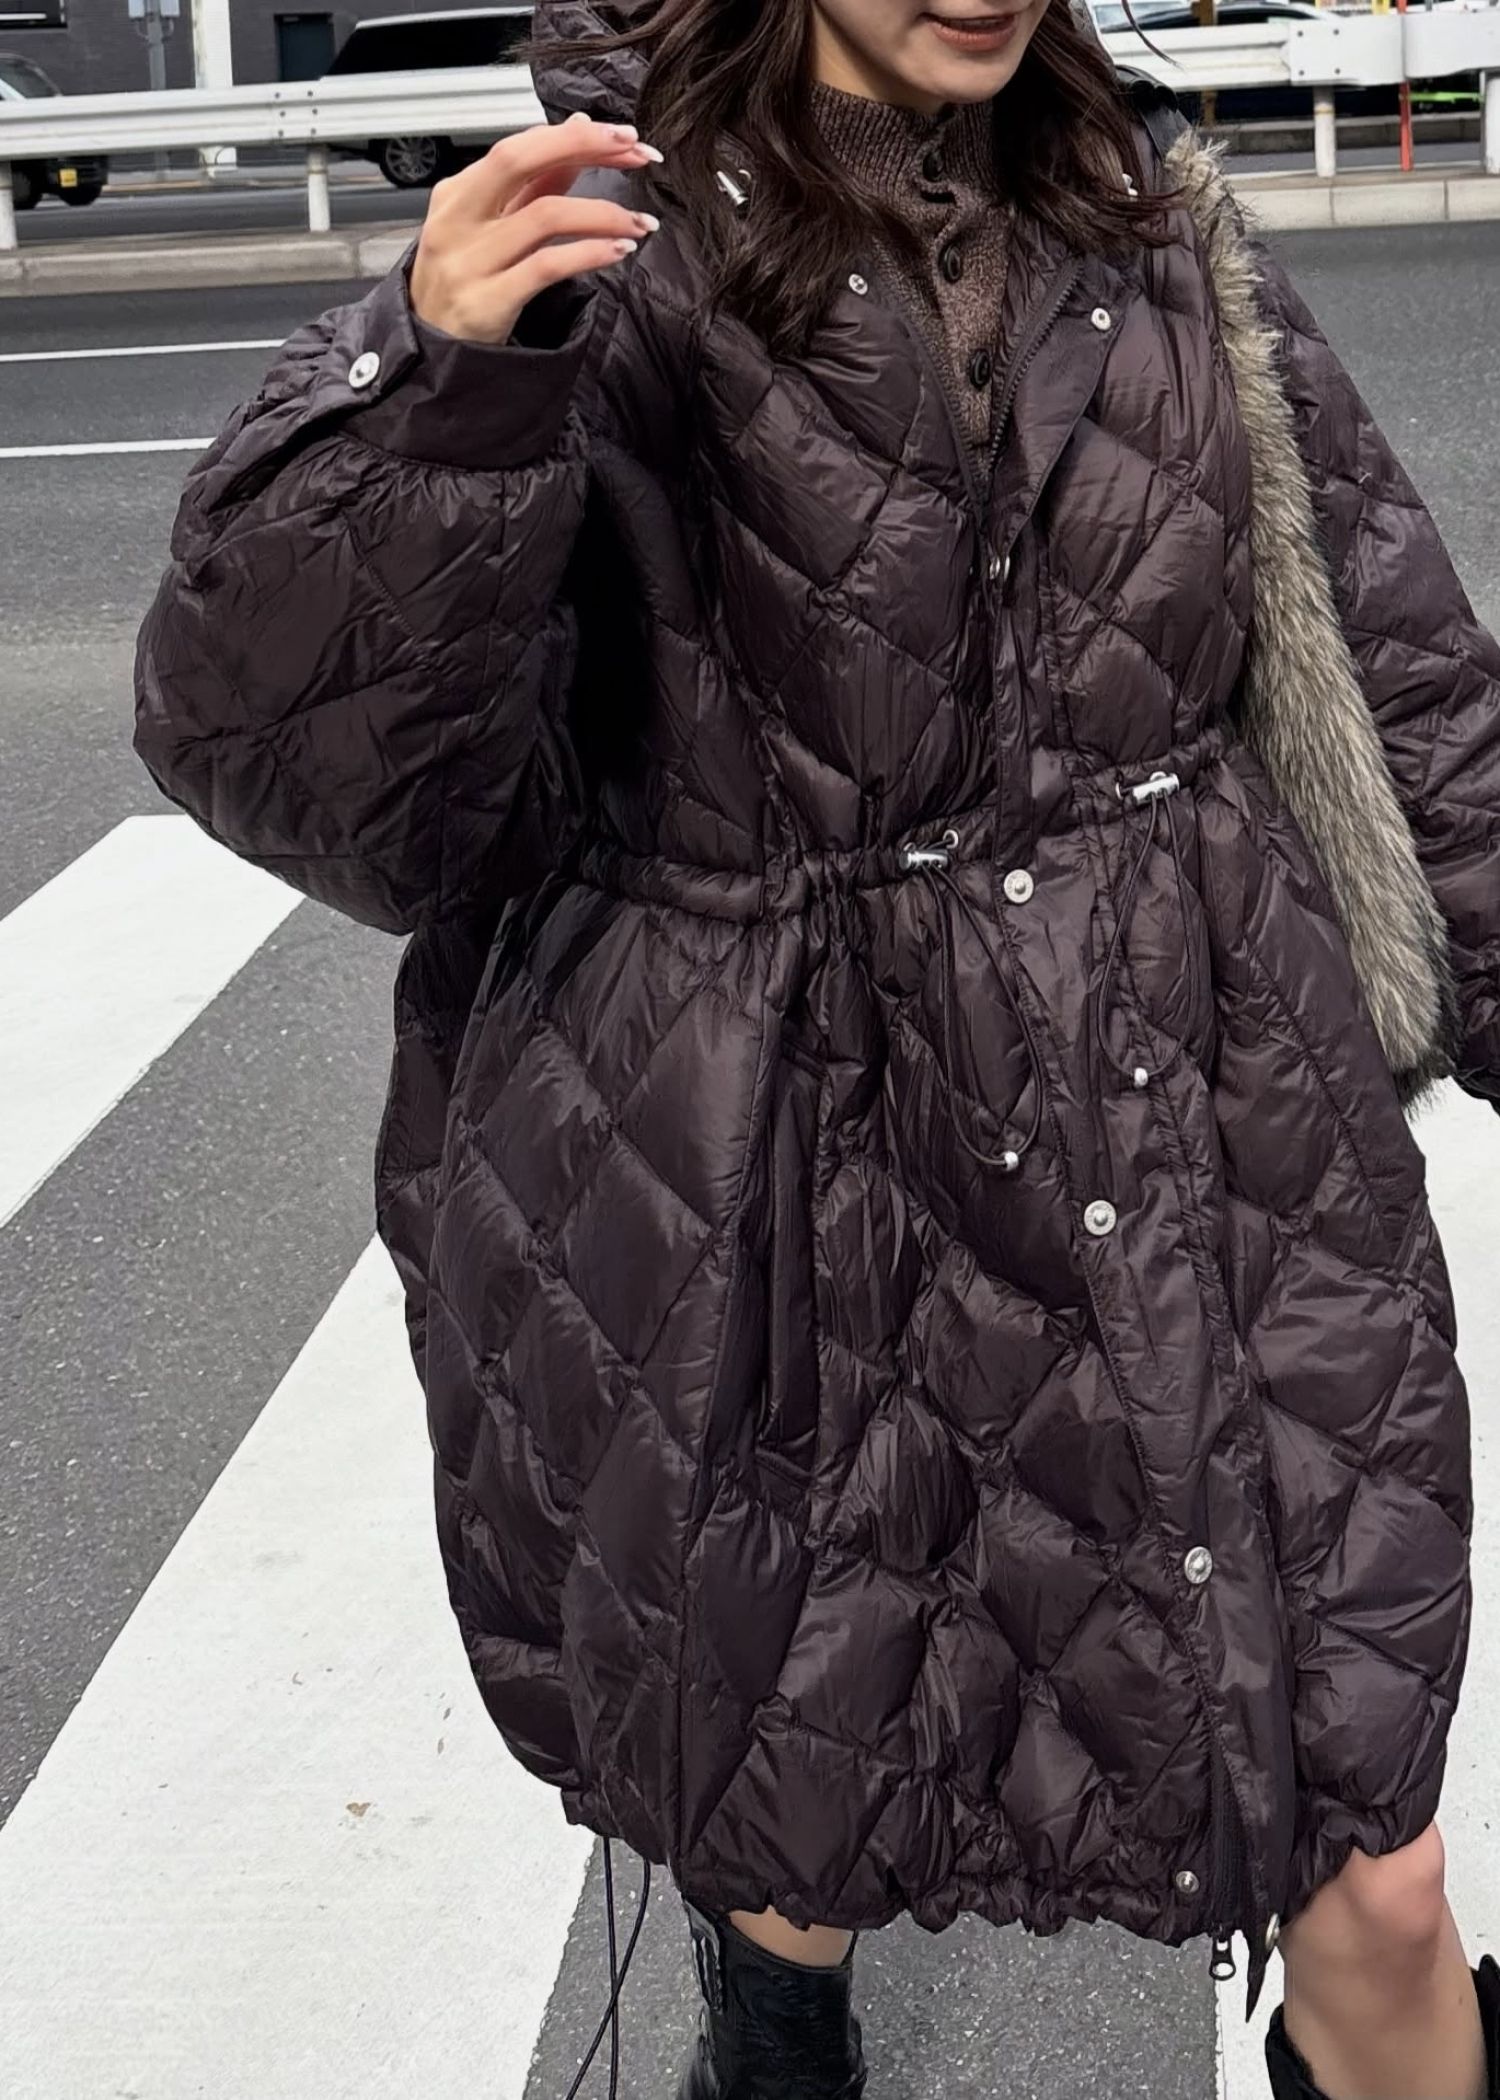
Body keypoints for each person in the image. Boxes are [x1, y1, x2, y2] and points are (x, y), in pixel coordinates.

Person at [133, 0, 1500, 2093]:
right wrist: (433, 395)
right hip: (785, 1188)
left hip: (1206, 1141)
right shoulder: (602, 255)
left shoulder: (1144, 206)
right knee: (803, 1796)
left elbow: (1403, 678)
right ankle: (773, 2030)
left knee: (1371, 1865)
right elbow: (313, 785)